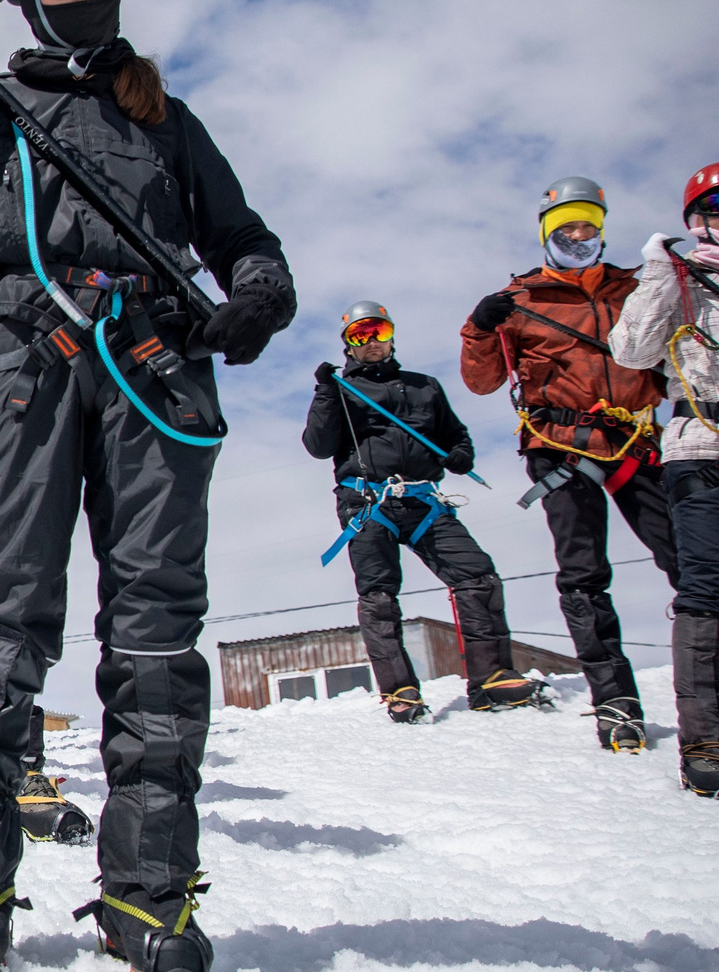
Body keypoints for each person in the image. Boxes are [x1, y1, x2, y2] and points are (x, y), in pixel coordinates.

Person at [0, 0, 298, 972]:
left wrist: (256, 299)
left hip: (152, 362)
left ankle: (148, 898)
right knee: (2, 619)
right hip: (18, 360)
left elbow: (244, 240)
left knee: (156, 625)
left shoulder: (163, 115)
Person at [461, 177, 678, 752]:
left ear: (601, 231)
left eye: (588, 226)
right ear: (546, 234)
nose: (578, 237)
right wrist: (481, 328)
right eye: (566, 228)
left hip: (637, 444)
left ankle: (702, 696)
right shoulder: (520, 300)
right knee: (584, 576)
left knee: (691, 562)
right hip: (561, 448)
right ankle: (615, 701)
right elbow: (480, 382)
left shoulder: (637, 288)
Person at [305, 300, 530, 724]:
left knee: (476, 575)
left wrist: (461, 454)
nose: (371, 341)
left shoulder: (424, 386)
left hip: (424, 501)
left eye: (378, 332)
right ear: (348, 345)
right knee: (379, 595)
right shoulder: (340, 390)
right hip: (367, 503)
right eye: (360, 335)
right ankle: (400, 690)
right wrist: (324, 393)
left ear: (391, 335)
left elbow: (454, 434)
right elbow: (318, 447)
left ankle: (491, 676)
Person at [609, 162, 719, 796]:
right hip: (698, 445)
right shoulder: (677, 277)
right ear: (693, 219)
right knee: (706, 585)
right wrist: (656, 273)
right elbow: (631, 350)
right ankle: (704, 738)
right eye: (712, 208)